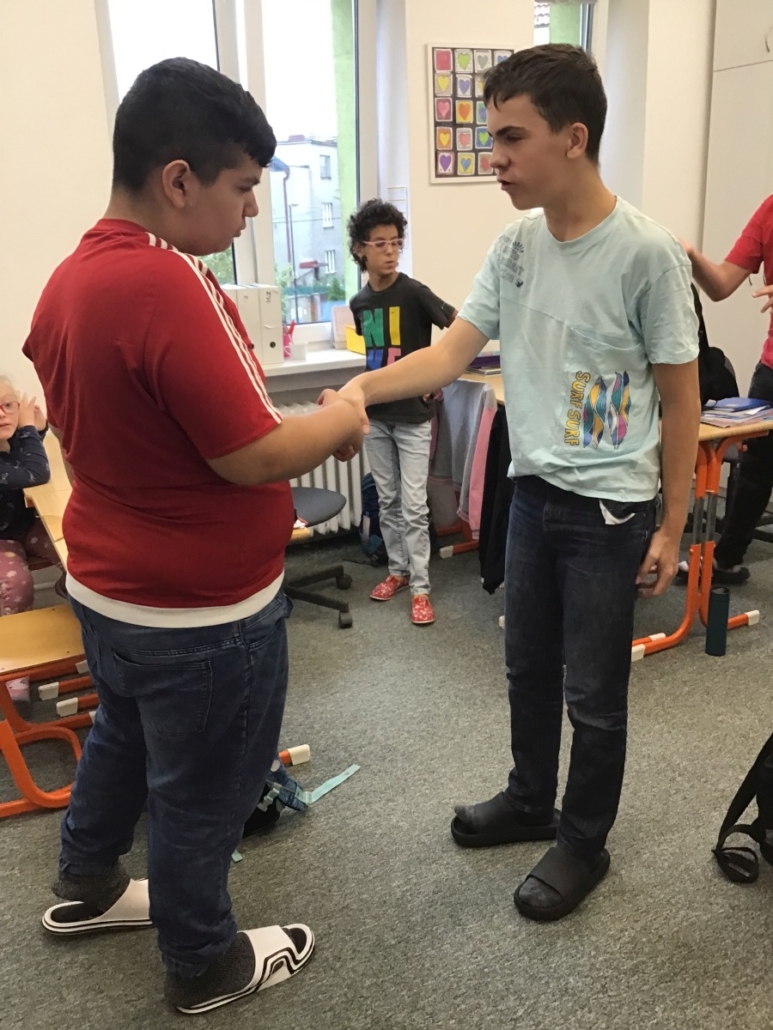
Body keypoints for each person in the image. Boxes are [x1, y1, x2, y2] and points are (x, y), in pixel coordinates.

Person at [23, 58, 364, 1015]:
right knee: (204, 791)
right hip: (200, 616)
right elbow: (251, 455)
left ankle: (87, 884)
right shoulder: (167, 282)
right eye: (243, 187)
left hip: (113, 590)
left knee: (122, 742)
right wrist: (340, 419)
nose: (252, 211)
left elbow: (135, 428)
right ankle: (202, 961)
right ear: (179, 180)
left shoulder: (68, 278)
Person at [329, 44, 700, 921]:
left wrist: (672, 525)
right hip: (531, 495)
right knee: (526, 667)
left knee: (592, 694)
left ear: (572, 138)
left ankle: (582, 841)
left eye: (509, 138)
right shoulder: (516, 245)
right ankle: (531, 799)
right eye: (491, 137)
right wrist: (356, 389)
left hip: (609, 511)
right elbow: (450, 353)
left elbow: (680, 400)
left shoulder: (645, 254)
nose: (492, 158)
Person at [348, 199, 455, 625]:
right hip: (376, 416)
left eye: (396, 242)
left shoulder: (414, 293)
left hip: (413, 418)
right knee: (388, 500)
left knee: (413, 506)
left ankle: (421, 588)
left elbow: (459, 329)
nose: (391, 251)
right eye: (380, 244)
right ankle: (397, 571)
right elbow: (375, 357)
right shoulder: (359, 303)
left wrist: (437, 377)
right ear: (360, 249)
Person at [682, 198, 773, 584]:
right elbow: (720, 285)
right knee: (755, 471)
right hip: (772, 368)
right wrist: (690, 255)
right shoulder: (770, 210)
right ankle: (726, 560)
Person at [0, 380, 58, 699]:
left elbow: (26, 461)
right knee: (14, 582)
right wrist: (26, 429)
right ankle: (15, 661)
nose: (3, 414)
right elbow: (35, 473)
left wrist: (39, 428)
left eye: (9, 405)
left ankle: (79, 601)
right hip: (2, 538)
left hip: (24, 525)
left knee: (74, 546)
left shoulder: (7, 441)